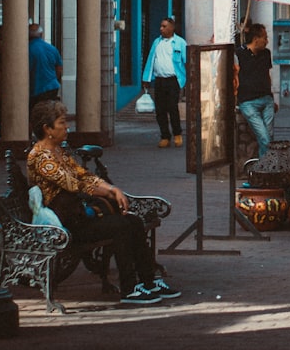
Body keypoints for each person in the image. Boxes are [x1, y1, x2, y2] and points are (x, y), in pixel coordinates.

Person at [27, 100, 180, 304]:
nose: (67, 127)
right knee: (121, 226)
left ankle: (148, 281)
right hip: (64, 224)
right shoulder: (40, 157)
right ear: (47, 129)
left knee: (133, 221)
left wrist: (110, 189)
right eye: (62, 123)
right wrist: (108, 192)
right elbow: (74, 184)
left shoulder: (58, 152)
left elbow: (84, 175)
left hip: (78, 215)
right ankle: (129, 288)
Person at [142, 17, 187, 149]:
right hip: (160, 80)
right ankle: (165, 136)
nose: (161, 29)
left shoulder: (180, 43)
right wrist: (146, 78)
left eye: (164, 26)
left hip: (173, 80)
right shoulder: (157, 42)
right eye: (161, 26)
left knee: (172, 107)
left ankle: (177, 134)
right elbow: (151, 60)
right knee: (160, 110)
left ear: (172, 28)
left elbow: (187, 60)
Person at [236, 23, 278, 157]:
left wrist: (272, 97)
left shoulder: (266, 54)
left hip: (266, 99)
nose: (267, 41)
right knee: (264, 137)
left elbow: (267, 74)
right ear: (256, 39)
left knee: (269, 136)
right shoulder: (240, 53)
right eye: (264, 38)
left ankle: (264, 165)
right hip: (247, 101)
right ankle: (264, 170)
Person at [29, 23, 63, 110]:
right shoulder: (52, 48)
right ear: (41, 34)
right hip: (52, 86)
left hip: (36, 89)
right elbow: (59, 68)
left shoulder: (27, 49)